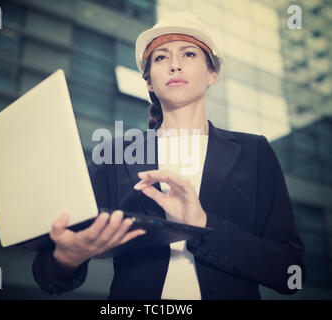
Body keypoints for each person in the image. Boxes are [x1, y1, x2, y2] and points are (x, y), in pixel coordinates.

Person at [32, 11, 305, 300]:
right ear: (149, 82)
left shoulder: (255, 153)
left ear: (211, 73)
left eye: (188, 54)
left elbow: (289, 270)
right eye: (161, 57)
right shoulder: (113, 155)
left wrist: (203, 224)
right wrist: (67, 257)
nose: (174, 65)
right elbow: (47, 271)